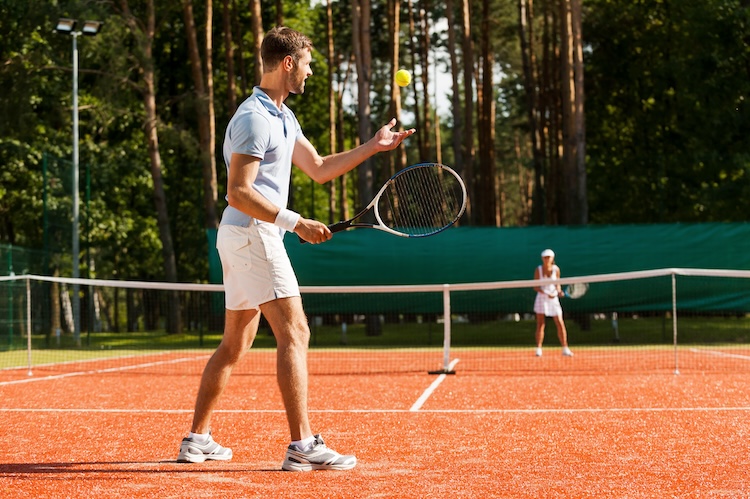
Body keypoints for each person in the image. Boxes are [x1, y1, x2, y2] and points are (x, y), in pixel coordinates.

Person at [176, 26, 415, 471]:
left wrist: (374, 147)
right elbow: (238, 191)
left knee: (235, 343)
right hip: (253, 231)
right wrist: (295, 222)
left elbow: (320, 168)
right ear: (288, 63)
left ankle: (197, 439)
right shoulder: (253, 118)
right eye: (306, 63)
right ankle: (302, 445)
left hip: (246, 234)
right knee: (295, 332)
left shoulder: (283, 117)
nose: (309, 71)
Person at [532, 249, 573, 357]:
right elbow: (536, 287)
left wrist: (558, 292)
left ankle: (565, 348)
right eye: (545, 257)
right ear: (542, 258)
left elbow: (557, 285)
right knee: (540, 324)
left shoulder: (556, 270)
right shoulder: (538, 270)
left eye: (549, 257)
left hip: (554, 299)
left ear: (552, 258)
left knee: (560, 322)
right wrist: (546, 293)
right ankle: (539, 349)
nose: (547, 259)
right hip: (541, 298)